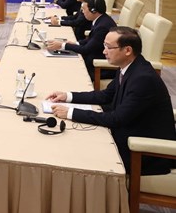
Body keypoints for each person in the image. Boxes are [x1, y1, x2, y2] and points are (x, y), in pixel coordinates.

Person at [47, 27, 176, 175]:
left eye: (109, 47)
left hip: (144, 153)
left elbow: (116, 119)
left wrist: (70, 113)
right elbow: (105, 96)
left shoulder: (143, 79)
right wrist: (68, 96)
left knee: (77, 155)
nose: (104, 51)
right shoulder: (129, 66)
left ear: (127, 50)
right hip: (127, 132)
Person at [47, 0, 116, 80]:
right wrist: (76, 43)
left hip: (98, 68)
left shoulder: (102, 27)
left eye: (84, 9)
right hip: (92, 58)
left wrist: (62, 45)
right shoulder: (100, 20)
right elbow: (92, 40)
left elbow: (86, 50)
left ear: (93, 10)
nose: (82, 12)